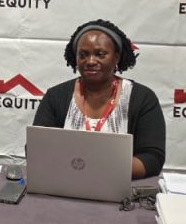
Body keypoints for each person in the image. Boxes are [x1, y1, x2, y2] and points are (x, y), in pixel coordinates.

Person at [33, 19, 165, 179]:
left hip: (118, 188)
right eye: (83, 55)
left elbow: (152, 159)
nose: (90, 61)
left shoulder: (143, 98)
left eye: (100, 54)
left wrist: (92, 167)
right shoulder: (55, 96)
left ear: (116, 57)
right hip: (63, 184)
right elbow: (36, 149)